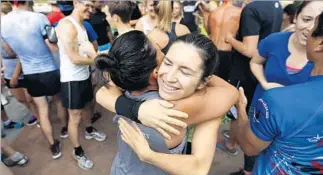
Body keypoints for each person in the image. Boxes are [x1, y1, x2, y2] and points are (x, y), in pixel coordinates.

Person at [95, 31, 238, 175]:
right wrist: (196, 71)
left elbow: (101, 93)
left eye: (184, 71)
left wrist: (134, 109)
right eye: (165, 59)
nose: (170, 77)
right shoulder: (170, 108)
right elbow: (231, 93)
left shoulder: (123, 83)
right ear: (155, 71)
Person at [233, 11, 323, 175]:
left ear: (320, 43)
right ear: (296, 17)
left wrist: (241, 109)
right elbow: (256, 61)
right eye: (306, 19)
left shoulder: (278, 101)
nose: (308, 29)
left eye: (314, 24)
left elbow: (249, 146)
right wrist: (265, 83)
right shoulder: (276, 40)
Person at [1, 0, 67, 159]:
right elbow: (52, 44)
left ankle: (53, 145)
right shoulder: (39, 18)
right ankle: (65, 129)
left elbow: (9, 52)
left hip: (30, 72)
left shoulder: (3, 23)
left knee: (42, 110)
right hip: (49, 68)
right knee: (58, 101)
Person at [224, 1, 283, 174]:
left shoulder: (252, 9)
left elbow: (250, 50)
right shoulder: (275, 4)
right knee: (252, 110)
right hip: (261, 70)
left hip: (245, 70)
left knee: (238, 107)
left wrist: (230, 39)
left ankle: (232, 144)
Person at [56, 0, 106, 170]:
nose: (91, 10)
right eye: (88, 6)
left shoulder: (83, 25)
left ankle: (90, 130)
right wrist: (98, 59)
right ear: (76, 2)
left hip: (83, 75)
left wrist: (95, 58)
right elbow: (74, 58)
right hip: (71, 79)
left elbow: (85, 53)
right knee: (75, 116)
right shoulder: (66, 25)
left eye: (93, 7)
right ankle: (77, 152)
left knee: (87, 108)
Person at [1, 1, 38, 127]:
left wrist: (15, 75)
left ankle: (41, 117)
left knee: (31, 98)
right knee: (21, 99)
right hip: (8, 69)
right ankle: (36, 115)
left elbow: (19, 53)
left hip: (23, 66)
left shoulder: (15, 30)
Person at [207, 0, 243, 81]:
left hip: (212, 50)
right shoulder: (239, 12)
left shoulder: (213, 12)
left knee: (210, 82)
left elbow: (209, 32)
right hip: (227, 52)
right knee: (224, 84)